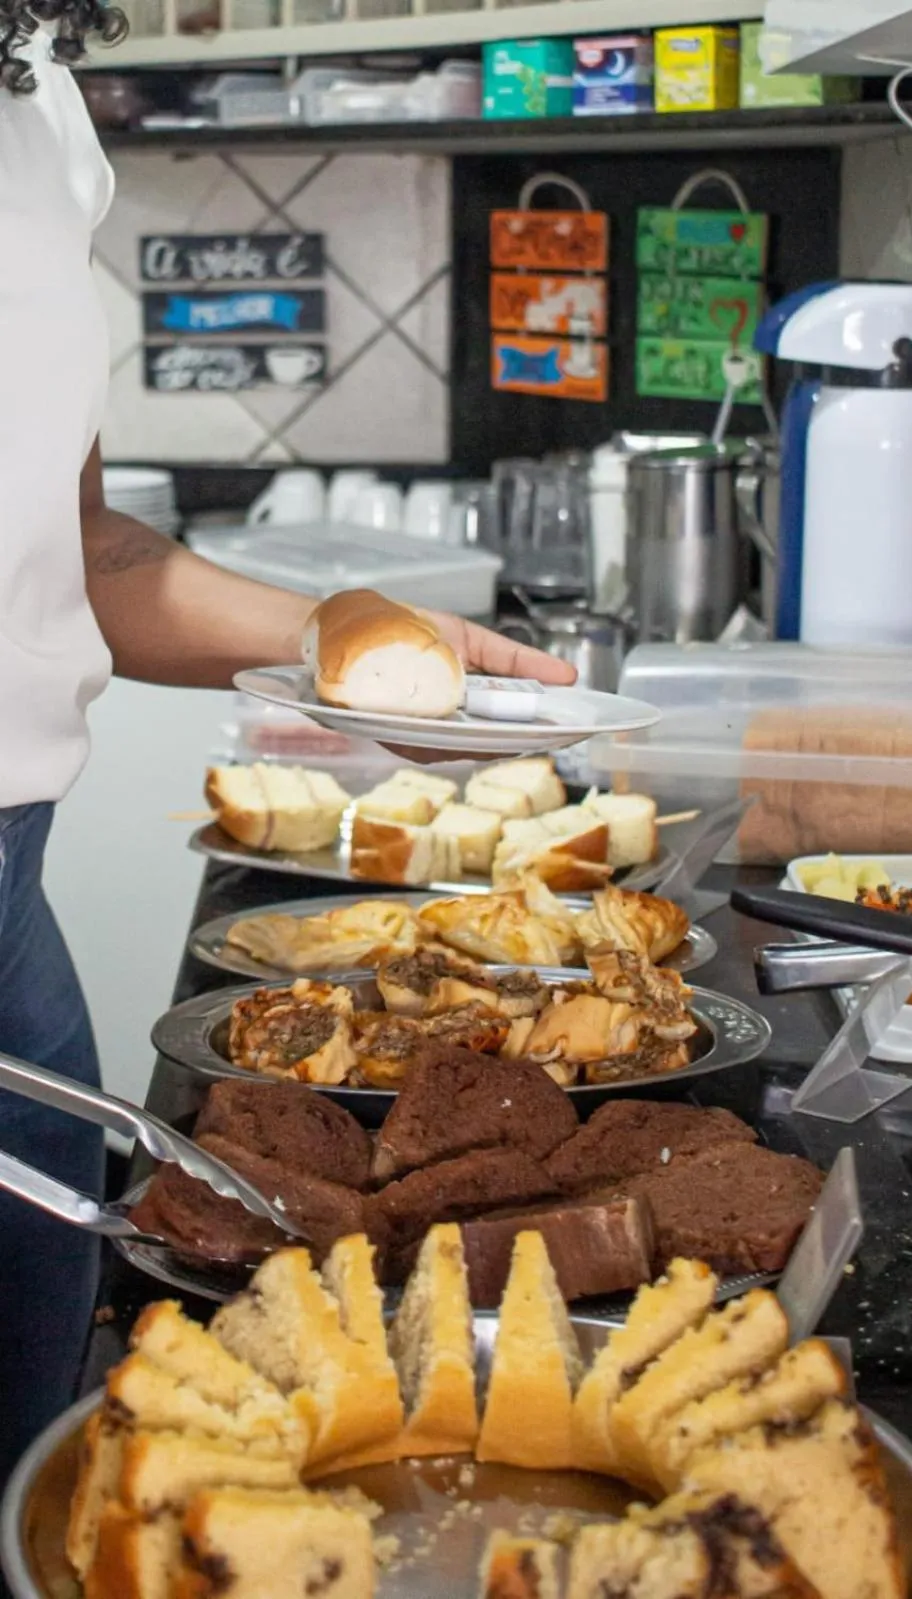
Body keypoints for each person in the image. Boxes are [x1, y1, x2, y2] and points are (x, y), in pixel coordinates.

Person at [0, 1, 574, 1487]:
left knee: (39, 1417)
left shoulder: (36, 110)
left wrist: (347, 642)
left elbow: (78, 552)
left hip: (9, 913)